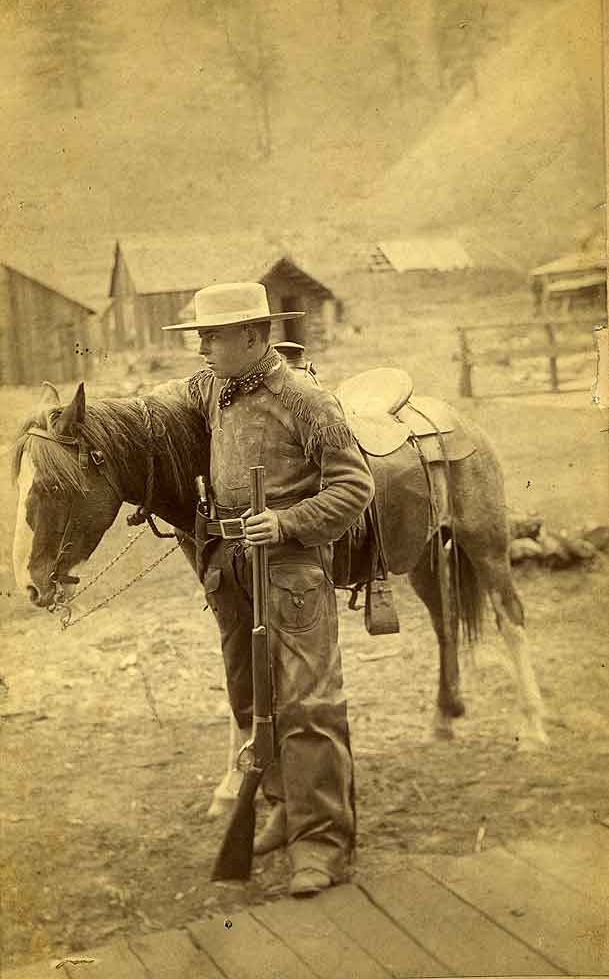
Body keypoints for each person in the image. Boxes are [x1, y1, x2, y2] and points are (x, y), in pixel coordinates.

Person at [163, 282, 374, 896]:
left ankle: (323, 843)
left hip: (291, 574)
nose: (201, 346)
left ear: (253, 337)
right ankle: (283, 808)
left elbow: (353, 488)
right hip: (231, 570)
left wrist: (286, 522)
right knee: (250, 696)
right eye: (200, 335)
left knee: (308, 706)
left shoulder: (306, 400)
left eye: (212, 335)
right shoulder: (213, 389)